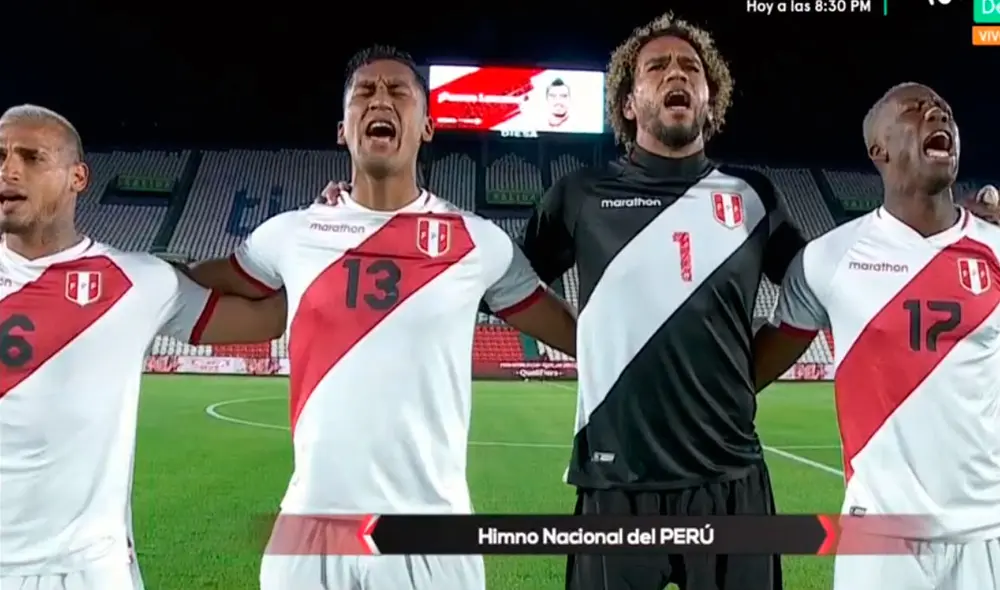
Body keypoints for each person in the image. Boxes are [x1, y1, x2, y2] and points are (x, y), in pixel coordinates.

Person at [185, 45, 577, 590]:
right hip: (310, 532)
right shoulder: (290, 234)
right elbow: (179, 287)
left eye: (398, 91)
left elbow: (583, 339)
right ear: (343, 129)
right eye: (364, 92)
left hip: (432, 534)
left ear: (428, 126)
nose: (380, 100)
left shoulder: (479, 244)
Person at [0, 105, 287, 590]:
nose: (9, 169)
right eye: (2, 155)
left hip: (88, 570)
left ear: (78, 177)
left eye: (32, 157)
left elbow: (269, 316)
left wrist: (326, 230)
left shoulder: (139, 283)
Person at [755, 83, 1000, 590]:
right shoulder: (827, 259)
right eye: (914, 109)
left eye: (945, 111)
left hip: (988, 532)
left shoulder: (995, 248)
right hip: (881, 539)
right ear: (878, 149)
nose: (936, 113)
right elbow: (754, 369)